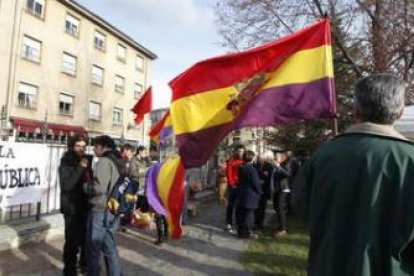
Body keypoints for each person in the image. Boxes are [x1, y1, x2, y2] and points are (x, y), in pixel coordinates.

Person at [296, 74, 414, 275]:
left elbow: (301, 209)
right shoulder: (410, 158)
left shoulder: (322, 155)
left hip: (330, 266)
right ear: (401, 111)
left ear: (355, 110)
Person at [84, 135, 124, 276]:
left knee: (94, 248)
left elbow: (99, 188)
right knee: (109, 248)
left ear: (102, 146)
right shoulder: (118, 160)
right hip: (114, 208)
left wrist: (85, 187)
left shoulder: (104, 161)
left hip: (101, 209)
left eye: (95, 146)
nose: (94, 149)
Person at [58, 135, 90, 275]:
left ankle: (83, 266)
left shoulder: (86, 160)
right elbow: (66, 186)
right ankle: (69, 271)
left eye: (84, 146)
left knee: (85, 241)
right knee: (72, 243)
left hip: (85, 206)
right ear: (72, 147)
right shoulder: (66, 163)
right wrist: (80, 168)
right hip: (71, 208)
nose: (82, 149)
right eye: (78, 146)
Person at [236, 150, 262, 239]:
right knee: (248, 215)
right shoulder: (251, 169)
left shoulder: (241, 167)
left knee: (242, 214)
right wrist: (260, 191)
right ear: (252, 158)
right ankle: (247, 233)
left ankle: (241, 232)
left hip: (242, 192)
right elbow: (256, 183)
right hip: (250, 194)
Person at [225, 144, 245, 233]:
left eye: (242, 151)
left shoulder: (245, 160)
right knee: (231, 205)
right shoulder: (231, 160)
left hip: (242, 186)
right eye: (239, 151)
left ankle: (238, 222)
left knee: (239, 206)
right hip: (233, 186)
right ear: (236, 151)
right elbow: (228, 173)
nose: (241, 153)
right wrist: (232, 184)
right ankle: (228, 223)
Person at [272, 150, 291, 236]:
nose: (275, 159)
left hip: (283, 189)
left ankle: (283, 229)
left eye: (276, 157)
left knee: (280, 209)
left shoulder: (285, 165)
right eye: (275, 157)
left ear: (282, 158)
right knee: (276, 208)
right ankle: (280, 227)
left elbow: (288, 174)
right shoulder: (275, 165)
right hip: (277, 189)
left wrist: (279, 167)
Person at [254, 151, 274, 231]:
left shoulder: (269, 166)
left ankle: (260, 224)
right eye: (258, 158)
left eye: (261, 158)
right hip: (256, 190)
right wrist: (262, 175)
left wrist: (262, 176)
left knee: (262, 208)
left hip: (265, 190)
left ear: (265, 159)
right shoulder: (255, 166)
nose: (260, 160)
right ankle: (256, 223)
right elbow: (255, 175)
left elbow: (269, 176)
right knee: (256, 208)